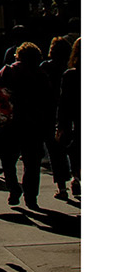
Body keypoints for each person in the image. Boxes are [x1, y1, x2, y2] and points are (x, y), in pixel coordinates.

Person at [0, 41, 56, 209]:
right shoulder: (41, 75)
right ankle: (31, 198)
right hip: (33, 125)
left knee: (8, 161)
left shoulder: (7, 72)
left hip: (9, 124)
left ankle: (13, 188)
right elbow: (50, 102)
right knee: (32, 163)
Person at [43, 36, 74, 198]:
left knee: (56, 152)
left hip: (49, 114)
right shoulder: (70, 69)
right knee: (75, 148)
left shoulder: (46, 68)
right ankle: (76, 178)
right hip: (71, 112)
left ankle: (62, 187)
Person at [55, 37, 81, 200]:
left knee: (75, 148)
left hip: (75, 116)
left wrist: (61, 124)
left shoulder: (70, 75)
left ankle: (76, 177)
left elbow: (64, 102)